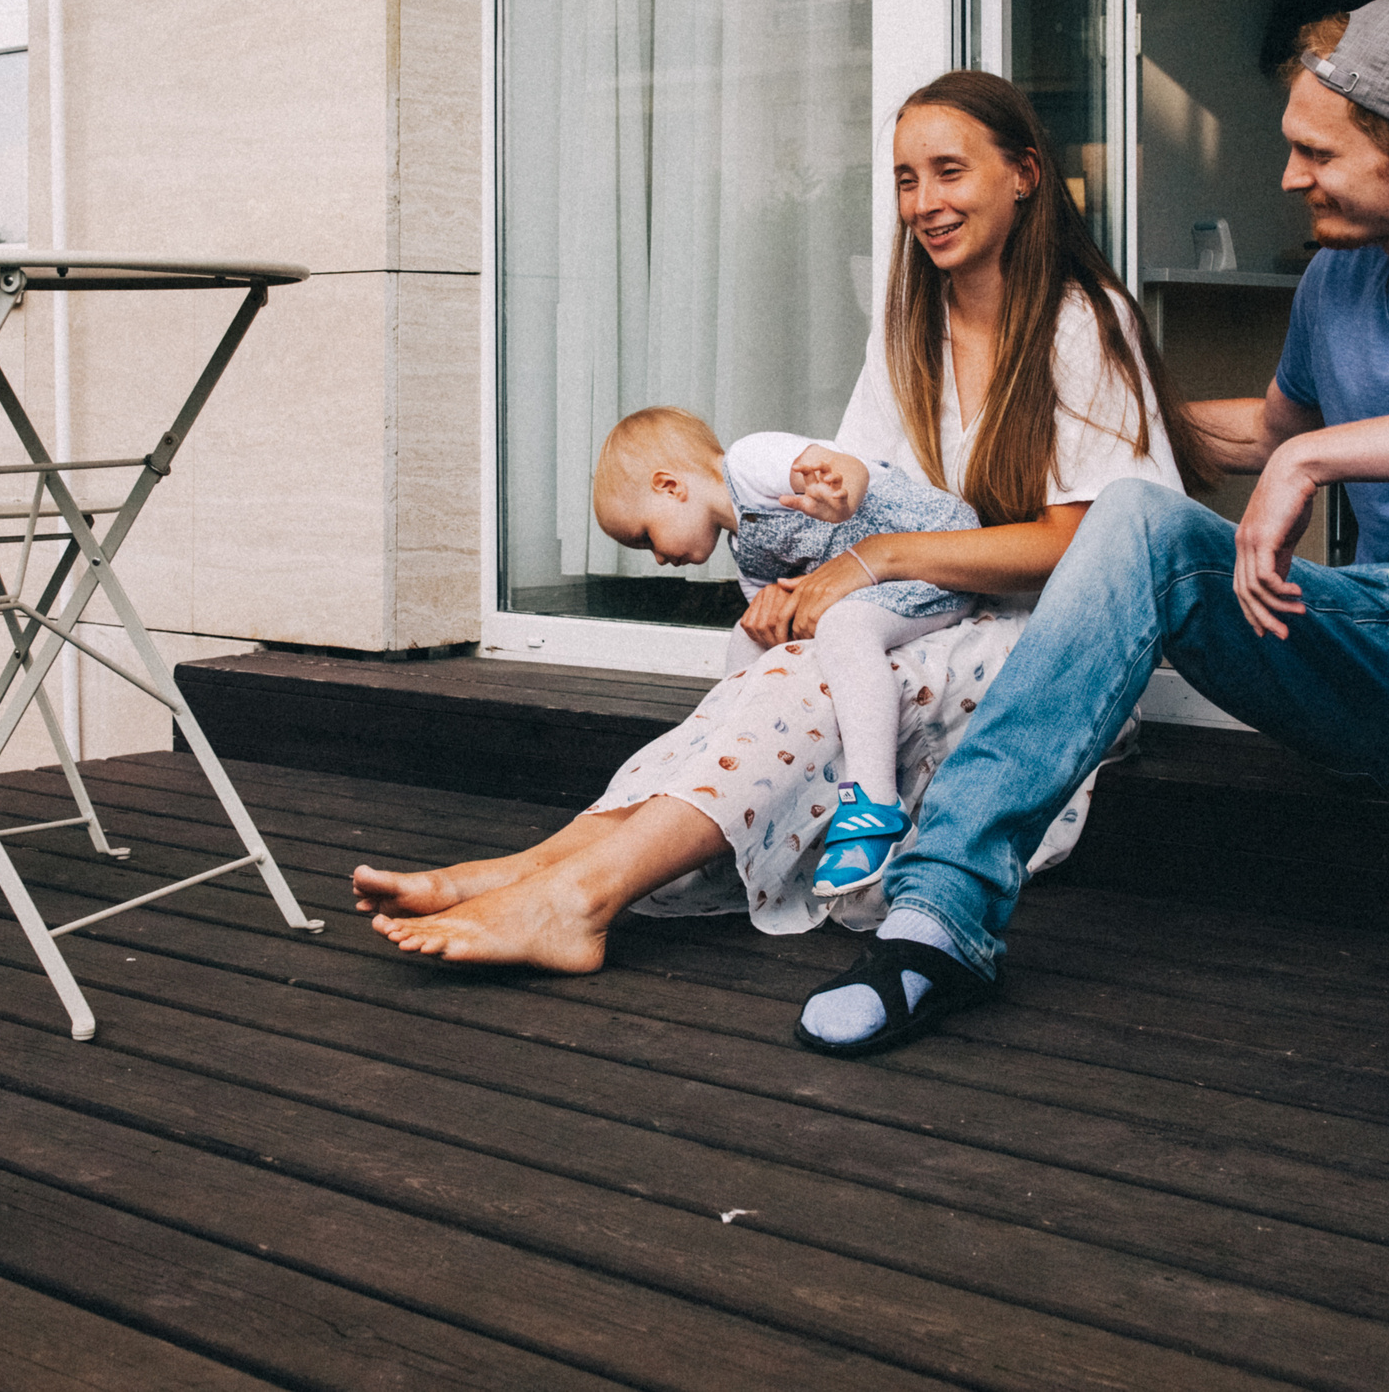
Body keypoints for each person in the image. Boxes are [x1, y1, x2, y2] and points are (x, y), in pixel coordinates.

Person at [794, 0, 1389, 1157]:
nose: (1290, 177)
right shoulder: (1338, 286)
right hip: (1381, 665)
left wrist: (1321, 452)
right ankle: (937, 917)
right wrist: (1057, 426)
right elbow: (1255, 431)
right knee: (1134, 517)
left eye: (1315, 151)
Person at [351, 70, 1212, 970]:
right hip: (927, 613)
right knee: (778, 669)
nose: (924, 201)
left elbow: (1083, 545)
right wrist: (805, 585)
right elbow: (849, 497)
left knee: (811, 680)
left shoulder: (1082, 321)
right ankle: (535, 870)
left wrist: (873, 563)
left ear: (1025, 174)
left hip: (1052, 650)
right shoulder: (909, 331)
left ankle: (578, 896)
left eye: (949, 171)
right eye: (906, 179)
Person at [591, 406, 982, 895]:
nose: (658, 558)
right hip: (878, 585)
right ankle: (722, 769)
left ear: (670, 486)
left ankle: (875, 808)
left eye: (646, 536)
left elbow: (847, 465)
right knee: (748, 634)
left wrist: (841, 494)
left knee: (844, 627)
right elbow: (782, 623)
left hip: (935, 553)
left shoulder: (750, 462)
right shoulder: (746, 548)